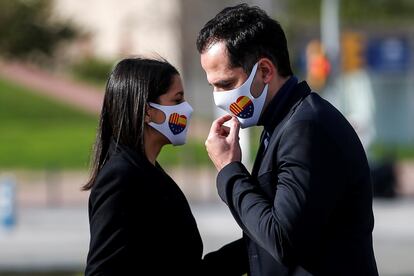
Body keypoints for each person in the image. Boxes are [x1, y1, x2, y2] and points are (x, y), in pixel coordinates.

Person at [197, 4, 378, 276]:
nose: (218, 97)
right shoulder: (282, 123)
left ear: (265, 71)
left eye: (225, 84)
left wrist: (229, 170)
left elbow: (282, 240)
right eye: (212, 86)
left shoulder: (306, 127)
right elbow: (273, 233)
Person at [83, 57, 248, 275]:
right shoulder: (121, 176)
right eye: (177, 100)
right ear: (148, 111)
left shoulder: (147, 170)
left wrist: (253, 248)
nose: (186, 109)